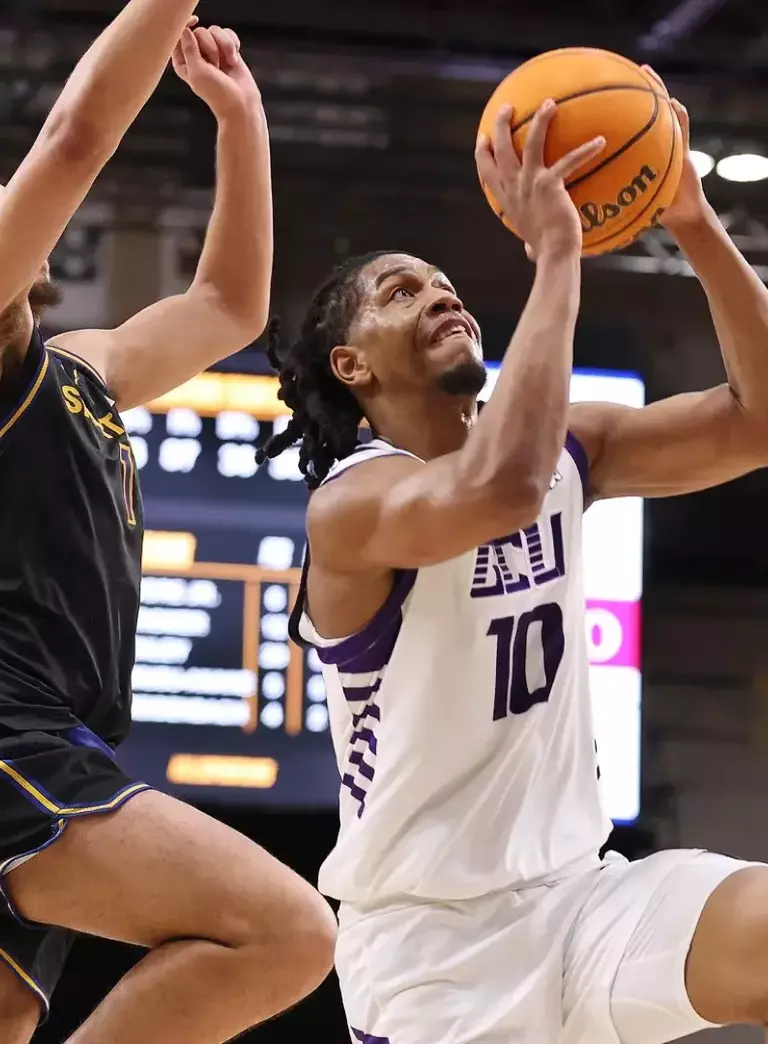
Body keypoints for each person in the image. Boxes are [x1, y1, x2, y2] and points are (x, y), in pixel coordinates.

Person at [257, 74, 768, 1044]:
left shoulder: (567, 448)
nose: (437, 293)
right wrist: (559, 253)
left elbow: (758, 421)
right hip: (432, 956)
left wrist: (692, 223)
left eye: (442, 283)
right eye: (399, 292)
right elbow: (500, 492)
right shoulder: (352, 506)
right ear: (352, 366)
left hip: (585, 898)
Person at [0, 8, 335, 1044]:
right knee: (283, 932)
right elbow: (74, 141)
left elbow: (229, 306)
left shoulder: (83, 366)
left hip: (55, 732)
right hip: (13, 736)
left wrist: (241, 122)